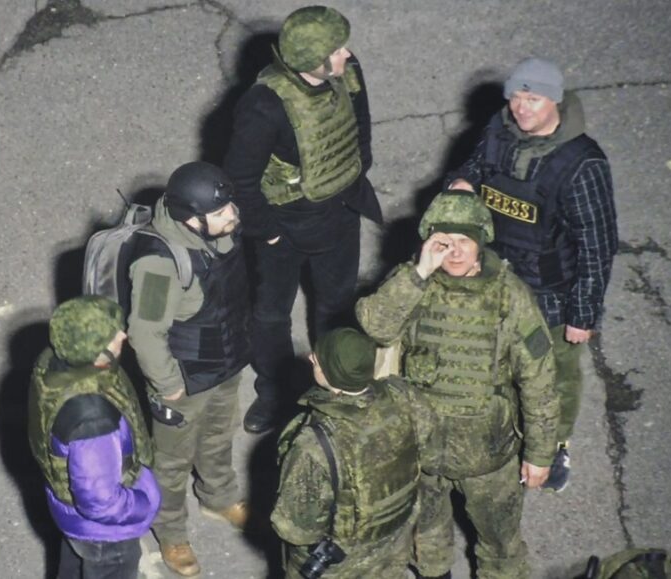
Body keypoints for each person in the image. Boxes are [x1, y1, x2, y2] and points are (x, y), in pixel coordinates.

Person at [356, 190, 560, 579]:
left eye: (464, 241)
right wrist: (418, 272)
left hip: (488, 456)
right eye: (443, 241)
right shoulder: (413, 283)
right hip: (422, 450)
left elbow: (540, 380)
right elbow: (376, 327)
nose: (454, 251)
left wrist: (540, 453)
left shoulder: (510, 296)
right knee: (428, 540)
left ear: (481, 241)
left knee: (501, 545)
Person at [447, 57, 618, 492]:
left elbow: (597, 245)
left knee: (554, 373)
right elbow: (477, 166)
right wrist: (463, 182)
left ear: (555, 100)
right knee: (493, 358)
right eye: (517, 96)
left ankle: (555, 444)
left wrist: (583, 314)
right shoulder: (500, 130)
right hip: (496, 273)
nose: (522, 108)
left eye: (533, 99)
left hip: (552, 293)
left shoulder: (582, 164)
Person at [223, 5, 383, 434]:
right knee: (271, 314)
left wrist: (355, 170)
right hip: (285, 227)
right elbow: (239, 178)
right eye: (336, 49)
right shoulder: (264, 106)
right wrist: (268, 233)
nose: (347, 54)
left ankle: (331, 386)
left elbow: (360, 123)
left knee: (336, 305)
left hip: (341, 215)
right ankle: (274, 390)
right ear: (313, 60)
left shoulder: (347, 70)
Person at [127, 161, 252, 576]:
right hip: (184, 380)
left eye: (229, 205)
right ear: (191, 219)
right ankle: (172, 533)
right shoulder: (159, 264)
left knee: (219, 436)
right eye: (219, 213)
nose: (232, 215)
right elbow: (145, 334)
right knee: (171, 463)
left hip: (224, 365)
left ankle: (219, 496)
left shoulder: (218, 234)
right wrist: (168, 387)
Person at [272, 328, 435, 578]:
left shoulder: (315, 443)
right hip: (394, 541)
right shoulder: (404, 395)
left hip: (341, 565)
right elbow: (427, 447)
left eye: (318, 358)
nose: (311, 358)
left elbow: (295, 529)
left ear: (329, 374)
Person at [27, 296, 161, 579]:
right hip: (105, 535)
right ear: (95, 350)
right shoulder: (92, 418)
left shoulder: (55, 363)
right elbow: (101, 502)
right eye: (114, 334)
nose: (123, 335)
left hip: (72, 518)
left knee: (73, 569)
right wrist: (143, 503)